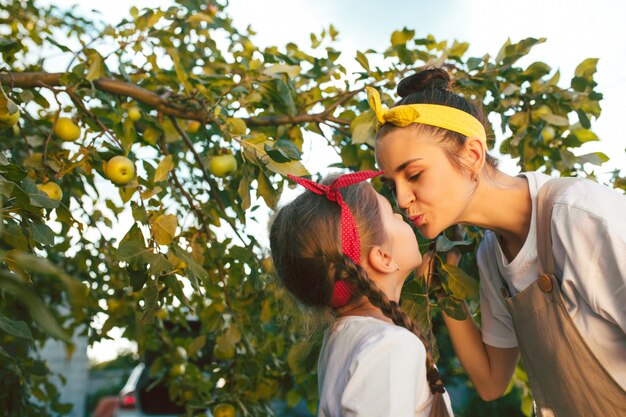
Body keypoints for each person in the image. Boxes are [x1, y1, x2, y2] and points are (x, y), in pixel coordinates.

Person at [370, 67, 626, 416]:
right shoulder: (492, 255)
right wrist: (446, 290)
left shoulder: (579, 216)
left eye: (414, 174)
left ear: (473, 154)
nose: (401, 199)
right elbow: (491, 383)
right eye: (391, 184)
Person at [269, 171, 454, 417]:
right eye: (392, 214)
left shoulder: (343, 339)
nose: (401, 214)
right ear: (383, 258)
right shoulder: (391, 346)